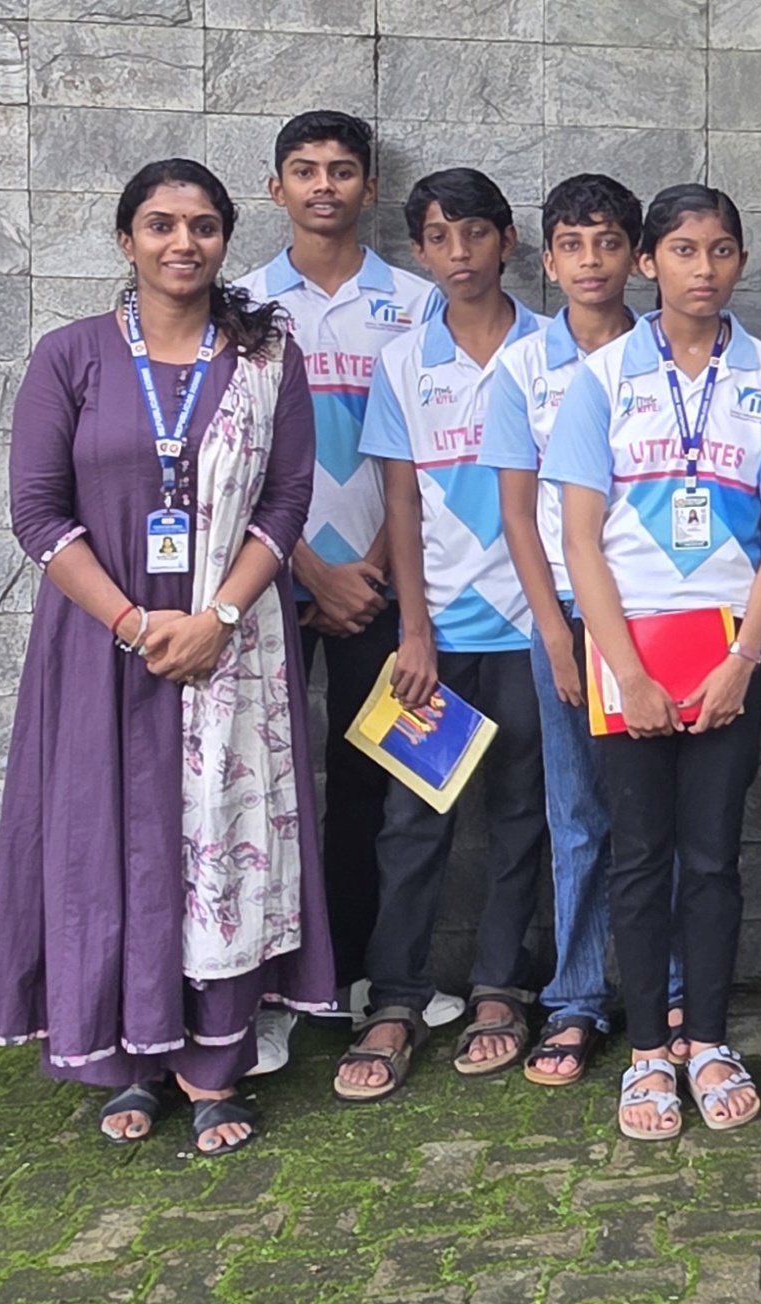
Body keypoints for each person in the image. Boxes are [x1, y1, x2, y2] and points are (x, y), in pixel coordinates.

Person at [0, 158, 332, 1157]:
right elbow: (37, 511)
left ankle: (214, 1063)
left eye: (204, 225)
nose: (184, 243)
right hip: (102, 645)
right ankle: (127, 1058)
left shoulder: (266, 357)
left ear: (225, 239)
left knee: (220, 838)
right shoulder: (72, 356)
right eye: (162, 224)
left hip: (233, 642)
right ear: (126, 238)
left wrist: (215, 616)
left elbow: (286, 502)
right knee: (115, 839)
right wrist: (137, 624)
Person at [544, 184, 761, 1141]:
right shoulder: (603, 377)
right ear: (649, 262)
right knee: (640, 854)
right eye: (684, 250)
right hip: (630, 648)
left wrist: (744, 659)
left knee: (713, 855)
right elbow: (580, 539)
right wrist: (627, 671)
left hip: (733, 646)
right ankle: (649, 1049)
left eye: (722, 249)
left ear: (741, 261)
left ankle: (712, 1039)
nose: (704, 269)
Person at [336, 168, 549, 1100]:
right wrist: (412, 631)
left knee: (523, 816)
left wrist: (561, 629)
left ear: (508, 241)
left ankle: (502, 989)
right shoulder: (402, 364)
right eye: (438, 237)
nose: (459, 254)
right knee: (412, 821)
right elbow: (402, 503)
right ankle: (396, 999)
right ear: (420, 253)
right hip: (440, 633)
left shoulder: (554, 353)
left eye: (475, 233)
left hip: (535, 631)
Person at [239, 111, 437, 1066]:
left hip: (382, 585)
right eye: (305, 169)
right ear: (275, 187)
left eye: (343, 170)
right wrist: (302, 565)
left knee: (370, 789)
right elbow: (227, 456)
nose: (325, 185)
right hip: (266, 581)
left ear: (369, 188)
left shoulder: (418, 302)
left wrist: (377, 572)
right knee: (260, 788)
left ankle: (353, 979)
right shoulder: (241, 303)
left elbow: (431, 454)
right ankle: (260, 990)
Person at [484, 173, 651, 1087]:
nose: (592, 262)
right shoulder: (522, 368)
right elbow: (518, 514)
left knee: (657, 815)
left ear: (638, 257)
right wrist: (553, 633)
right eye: (573, 246)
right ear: (547, 261)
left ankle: (670, 989)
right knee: (578, 815)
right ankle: (578, 997)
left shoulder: (666, 355)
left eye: (609, 243)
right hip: (567, 618)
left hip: (660, 614)